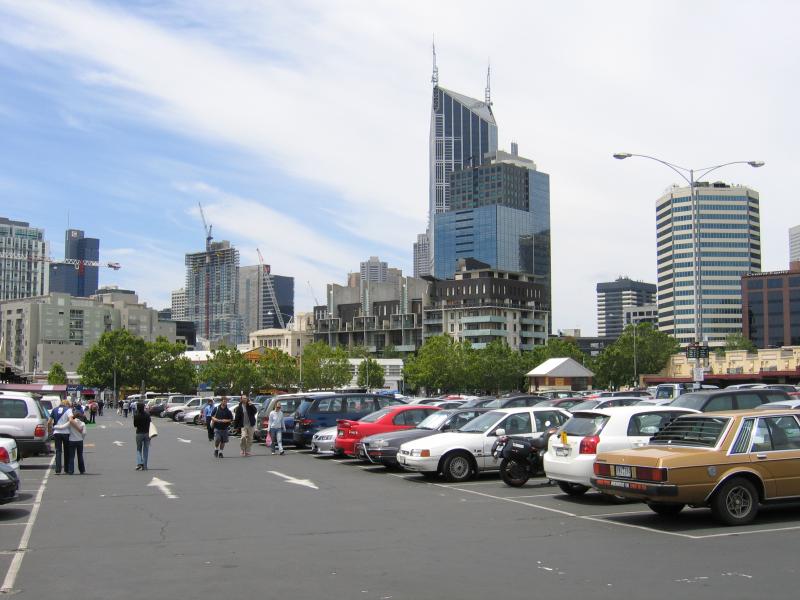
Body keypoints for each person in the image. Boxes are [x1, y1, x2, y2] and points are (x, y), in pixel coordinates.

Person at [48, 398, 73, 475]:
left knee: (58, 451)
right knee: (67, 451)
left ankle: (58, 469)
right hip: (66, 432)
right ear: (67, 404)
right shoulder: (68, 410)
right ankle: (67, 469)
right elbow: (71, 420)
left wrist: (50, 431)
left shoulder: (54, 410)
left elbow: (49, 422)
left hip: (57, 432)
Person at [67, 408, 86, 475]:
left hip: (71, 440)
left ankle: (71, 470)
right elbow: (84, 433)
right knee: (80, 455)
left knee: (71, 456)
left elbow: (64, 428)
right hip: (80, 440)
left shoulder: (70, 422)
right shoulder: (82, 423)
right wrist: (82, 438)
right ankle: (82, 470)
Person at [133, 402, 151, 470]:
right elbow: (150, 423)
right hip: (147, 433)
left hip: (139, 433)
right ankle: (145, 465)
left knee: (138, 449)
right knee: (146, 449)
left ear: (137, 408)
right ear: (143, 407)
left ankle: (139, 463)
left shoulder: (136, 415)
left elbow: (135, 425)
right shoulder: (147, 415)